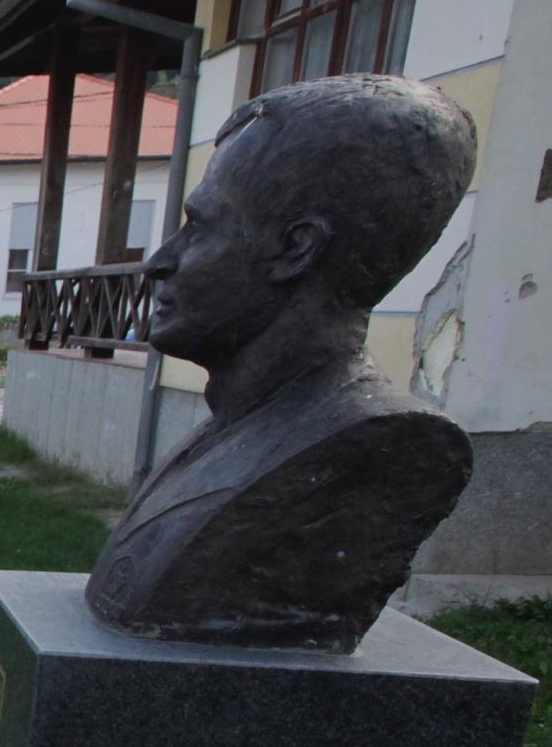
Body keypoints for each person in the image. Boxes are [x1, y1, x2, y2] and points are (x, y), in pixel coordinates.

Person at [86, 74, 481, 651]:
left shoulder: (378, 446)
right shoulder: (235, 427)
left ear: (297, 248)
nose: (161, 261)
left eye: (201, 228)